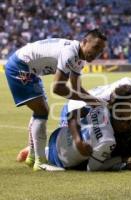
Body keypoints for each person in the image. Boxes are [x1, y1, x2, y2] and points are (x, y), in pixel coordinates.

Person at [5, 29, 107, 171]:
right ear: (84, 42)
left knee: (39, 111)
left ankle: (32, 157)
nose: (97, 53)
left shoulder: (80, 58)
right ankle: (40, 162)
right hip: (20, 67)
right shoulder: (70, 53)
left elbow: (77, 88)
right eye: (95, 47)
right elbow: (58, 88)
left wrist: (96, 101)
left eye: (101, 50)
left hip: (31, 71)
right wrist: (91, 101)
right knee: (42, 111)